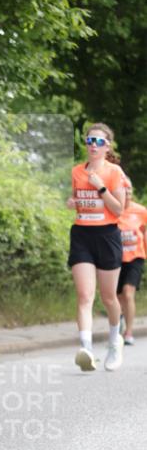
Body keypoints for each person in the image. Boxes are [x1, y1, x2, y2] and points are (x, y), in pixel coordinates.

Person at [66, 123, 126, 371]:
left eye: (99, 141)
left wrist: (100, 187)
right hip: (82, 234)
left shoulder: (114, 172)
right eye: (90, 140)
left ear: (107, 146)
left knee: (109, 297)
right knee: (84, 295)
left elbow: (119, 209)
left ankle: (114, 342)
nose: (93, 145)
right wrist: (72, 202)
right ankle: (87, 350)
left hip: (107, 236)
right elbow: (77, 200)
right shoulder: (76, 171)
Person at [116, 176, 147, 346]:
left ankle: (128, 333)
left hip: (136, 257)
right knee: (117, 296)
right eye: (123, 188)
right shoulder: (112, 210)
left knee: (128, 293)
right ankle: (119, 317)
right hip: (115, 259)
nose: (127, 191)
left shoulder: (141, 211)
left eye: (129, 188)